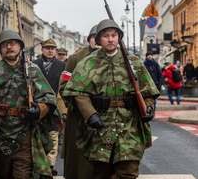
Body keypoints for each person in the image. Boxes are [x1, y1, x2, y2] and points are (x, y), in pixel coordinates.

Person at [62, 19, 159, 179]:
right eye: (106, 36)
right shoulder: (87, 63)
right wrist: (90, 114)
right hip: (100, 127)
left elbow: (147, 91)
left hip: (128, 125)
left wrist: (149, 106)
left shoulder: (133, 62)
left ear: (119, 38)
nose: (110, 39)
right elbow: (78, 93)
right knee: (101, 173)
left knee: (128, 172)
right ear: (99, 39)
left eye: (114, 35)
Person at [0, 29, 61, 179]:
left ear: (20, 46)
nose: (9, 47)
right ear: (0, 49)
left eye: (13, 43)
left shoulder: (33, 70)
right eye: (4, 44)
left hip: (25, 140)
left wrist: (39, 110)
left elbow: (49, 98)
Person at [58, 24, 101, 179]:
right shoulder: (75, 58)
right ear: (89, 39)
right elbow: (64, 86)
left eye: (99, 37)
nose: (96, 40)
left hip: (106, 116)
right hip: (78, 117)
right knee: (79, 165)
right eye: (93, 37)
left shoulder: (113, 57)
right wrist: (75, 105)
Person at [32, 38, 66, 176]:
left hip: (54, 105)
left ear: (55, 50)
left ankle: (50, 166)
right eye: (47, 48)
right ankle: (39, 164)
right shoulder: (33, 64)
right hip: (37, 105)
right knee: (37, 137)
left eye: (52, 48)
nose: (50, 51)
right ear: (42, 50)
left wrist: (64, 109)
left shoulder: (63, 66)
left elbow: (66, 85)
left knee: (53, 136)